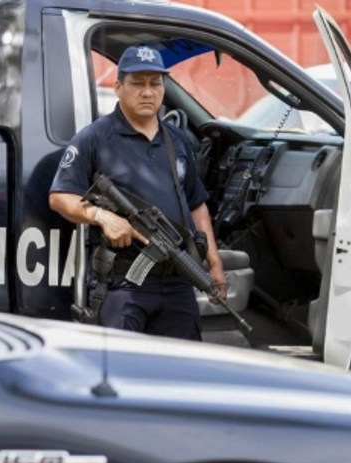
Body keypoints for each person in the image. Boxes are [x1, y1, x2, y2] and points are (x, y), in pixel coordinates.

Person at [48, 44, 224, 341]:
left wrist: (215, 264)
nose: (147, 91)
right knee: (123, 373)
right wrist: (101, 216)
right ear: (118, 87)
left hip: (179, 278)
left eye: (155, 83)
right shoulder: (95, 138)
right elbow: (60, 197)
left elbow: (197, 206)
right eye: (137, 82)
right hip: (124, 282)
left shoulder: (178, 141)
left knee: (185, 375)